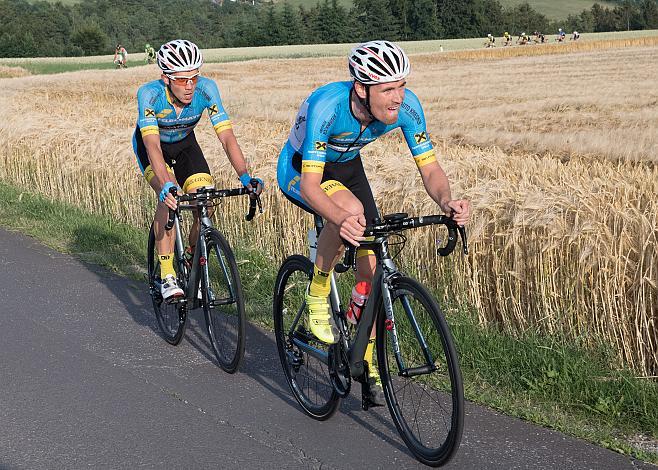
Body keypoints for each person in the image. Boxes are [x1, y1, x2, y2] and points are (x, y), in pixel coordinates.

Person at [276, 40, 470, 404]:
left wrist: (446, 200)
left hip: (348, 167)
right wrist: (339, 220)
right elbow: (311, 185)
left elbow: (430, 169)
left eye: (402, 86)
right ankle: (318, 290)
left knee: (372, 270)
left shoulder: (408, 107)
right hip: (302, 169)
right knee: (349, 213)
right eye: (387, 89)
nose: (398, 97)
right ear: (362, 89)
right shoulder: (328, 107)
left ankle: (362, 354)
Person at [133, 39, 262, 300]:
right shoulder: (149, 95)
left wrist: (245, 176)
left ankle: (192, 260)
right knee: (168, 198)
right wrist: (166, 184)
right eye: (181, 80)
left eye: (194, 77)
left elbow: (226, 137)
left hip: (184, 146)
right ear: (166, 78)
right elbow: (153, 147)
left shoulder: (207, 90)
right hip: (152, 148)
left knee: (207, 199)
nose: (190, 86)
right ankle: (167, 274)